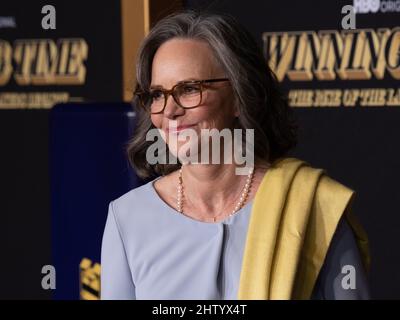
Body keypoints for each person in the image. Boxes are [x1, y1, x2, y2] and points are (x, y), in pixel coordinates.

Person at [101, 10, 370, 300]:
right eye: (157, 94)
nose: (169, 111)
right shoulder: (127, 218)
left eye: (189, 89)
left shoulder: (312, 206)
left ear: (240, 97)